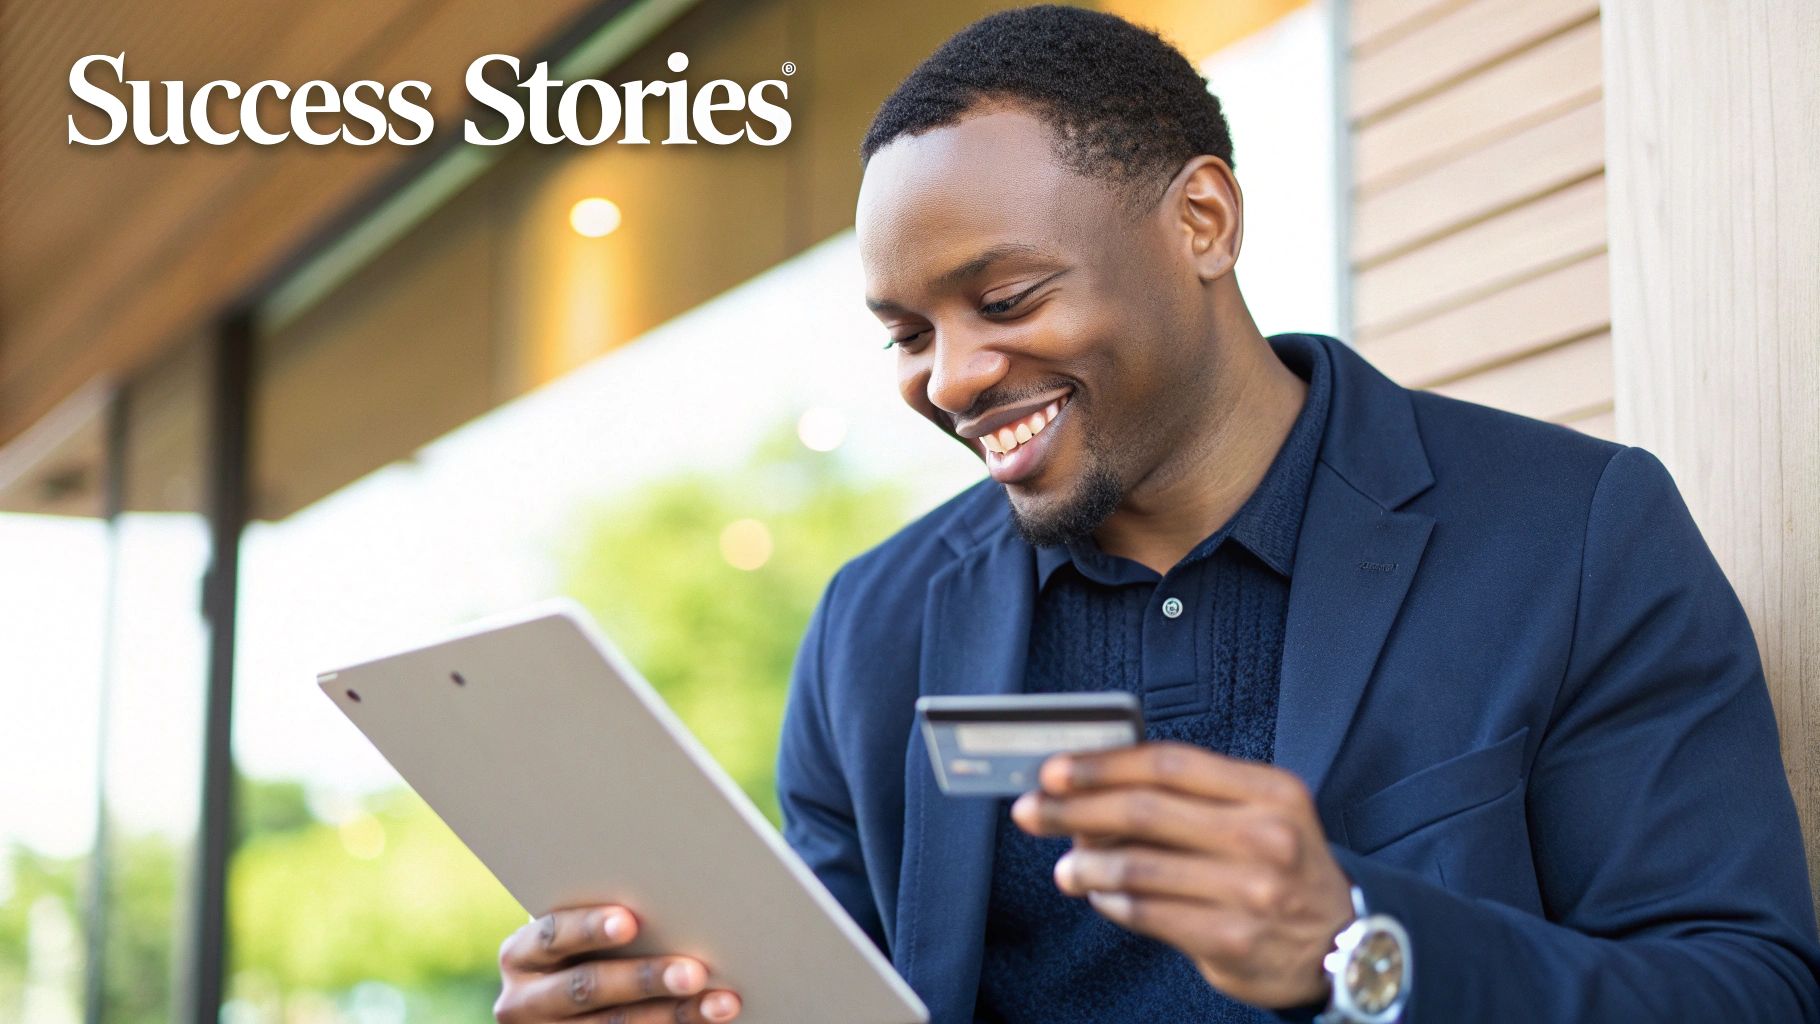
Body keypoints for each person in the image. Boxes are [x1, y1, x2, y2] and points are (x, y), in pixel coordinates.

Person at [492, 6, 1820, 1022]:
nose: (950, 378)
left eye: (1005, 301)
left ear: (1201, 221)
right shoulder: (874, 628)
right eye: (907, 332)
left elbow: (1745, 990)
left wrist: (1363, 941)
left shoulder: (1569, 534)